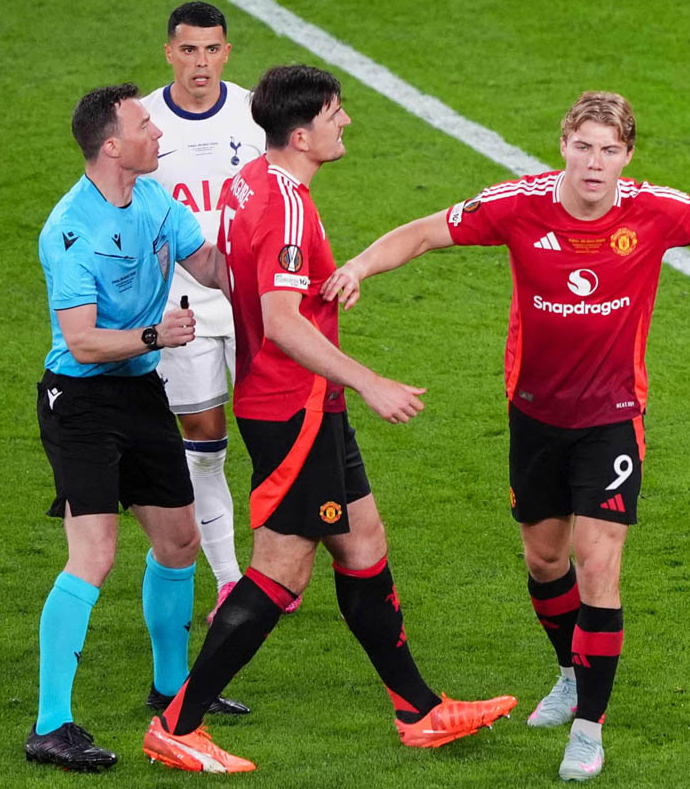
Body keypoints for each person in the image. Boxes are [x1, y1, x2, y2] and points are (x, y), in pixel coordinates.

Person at [320, 90, 690, 781]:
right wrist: (357, 266)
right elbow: (423, 233)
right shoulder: (519, 205)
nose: (594, 163)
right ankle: (571, 674)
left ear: (627, 156)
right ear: (563, 145)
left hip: (611, 418)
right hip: (535, 416)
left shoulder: (654, 210)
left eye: (609, 150)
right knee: (545, 561)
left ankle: (588, 728)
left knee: (599, 567)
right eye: (584, 147)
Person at [141, 65, 517, 774]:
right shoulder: (286, 204)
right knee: (281, 571)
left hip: (307, 403)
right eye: (335, 113)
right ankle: (178, 724)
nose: (345, 122)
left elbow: (247, 278)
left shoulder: (250, 181)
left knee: (363, 541)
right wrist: (370, 381)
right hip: (292, 407)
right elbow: (282, 323)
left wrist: (319, 289)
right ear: (302, 134)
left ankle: (418, 710)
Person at [26, 83, 245, 771]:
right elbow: (83, 342)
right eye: (146, 125)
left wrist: (275, 277)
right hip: (81, 402)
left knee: (179, 542)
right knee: (93, 556)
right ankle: (50, 725)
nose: (159, 133)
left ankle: (172, 691)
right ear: (112, 146)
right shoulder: (71, 229)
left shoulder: (152, 199)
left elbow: (209, 265)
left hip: (140, 391)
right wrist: (157, 334)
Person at [141, 1, 290, 622]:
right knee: (204, 442)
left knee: (276, 434)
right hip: (182, 305)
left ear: (227, 52)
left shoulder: (255, 115)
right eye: (188, 49)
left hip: (254, 298)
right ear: (169, 52)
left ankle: (279, 569)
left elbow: (285, 196)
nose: (200, 62)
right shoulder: (144, 123)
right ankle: (231, 579)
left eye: (211, 49)